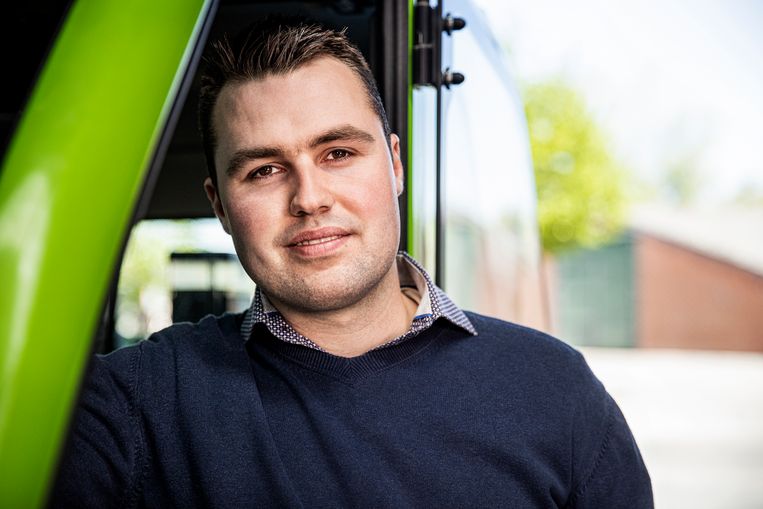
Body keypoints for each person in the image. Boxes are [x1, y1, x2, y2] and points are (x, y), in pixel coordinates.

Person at [52, 18, 653, 508]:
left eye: (338, 153)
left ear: (395, 165)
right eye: (264, 170)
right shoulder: (131, 403)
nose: (309, 198)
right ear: (220, 206)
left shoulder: (555, 388)